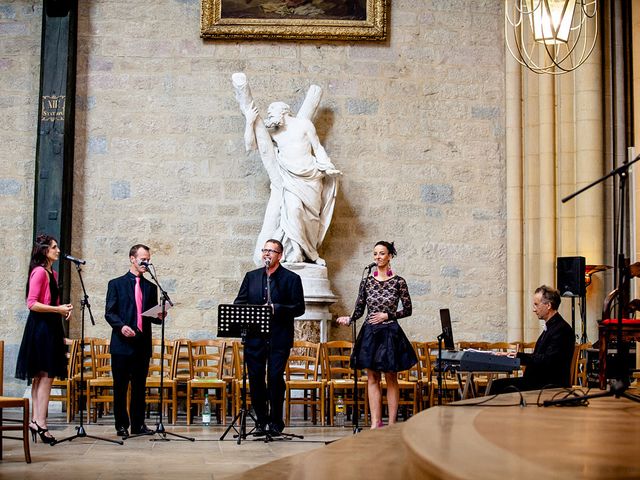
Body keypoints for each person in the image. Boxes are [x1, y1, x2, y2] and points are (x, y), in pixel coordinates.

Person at [232, 72, 341, 266]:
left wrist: (327, 166)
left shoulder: (304, 125)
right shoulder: (274, 133)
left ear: (284, 111)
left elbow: (318, 148)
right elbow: (251, 146)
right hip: (290, 179)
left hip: (311, 178)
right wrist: (249, 122)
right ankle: (297, 251)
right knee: (293, 210)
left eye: (272, 112)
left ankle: (310, 251)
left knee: (310, 218)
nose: (270, 116)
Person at [336, 241, 417, 429]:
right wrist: (349, 319)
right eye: (375, 254)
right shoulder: (366, 281)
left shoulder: (399, 282)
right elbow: (359, 309)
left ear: (390, 256)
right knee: (372, 378)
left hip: (390, 332)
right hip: (370, 333)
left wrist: (387, 315)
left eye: (381, 254)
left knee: (391, 377)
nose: (377, 257)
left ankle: (392, 423)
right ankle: (375, 423)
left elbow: (408, 309)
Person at [234, 239, 305, 435]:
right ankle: (260, 421)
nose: (267, 254)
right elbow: (239, 303)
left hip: (279, 338)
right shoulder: (251, 277)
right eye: (265, 250)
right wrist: (253, 311)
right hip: (254, 338)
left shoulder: (291, 278)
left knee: (274, 378)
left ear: (279, 255)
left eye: (271, 251)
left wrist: (277, 308)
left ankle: (275, 422)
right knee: (256, 379)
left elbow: (299, 308)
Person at [15, 234, 73, 444]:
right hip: (41, 328)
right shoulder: (39, 272)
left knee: (42, 376)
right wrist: (57, 309)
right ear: (45, 251)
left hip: (50, 326)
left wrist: (62, 310)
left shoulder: (52, 273)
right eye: (54, 247)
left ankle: (36, 421)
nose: (58, 250)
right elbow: (31, 303)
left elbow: (50, 302)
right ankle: (41, 423)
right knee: (45, 376)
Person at [105, 244, 163, 438]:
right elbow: (109, 312)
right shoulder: (116, 284)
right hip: (122, 343)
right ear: (132, 258)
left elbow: (150, 316)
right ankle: (121, 425)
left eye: (148, 259)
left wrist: (160, 315)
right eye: (142, 259)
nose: (146, 262)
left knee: (139, 387)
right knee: (120, 387)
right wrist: (121, 326)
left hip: (141, 343)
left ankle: (138, 424)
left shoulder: (150, 286)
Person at [489, 285, 576, 394]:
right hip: (538, 382)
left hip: (548, 385)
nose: (534, 309)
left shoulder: (561, 329)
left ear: (548, 305)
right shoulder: (553, 327)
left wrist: (518, 356)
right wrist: (514, 356)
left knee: (497, 386)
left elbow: (547, 361)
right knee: (497, 384)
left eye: (536, 304)